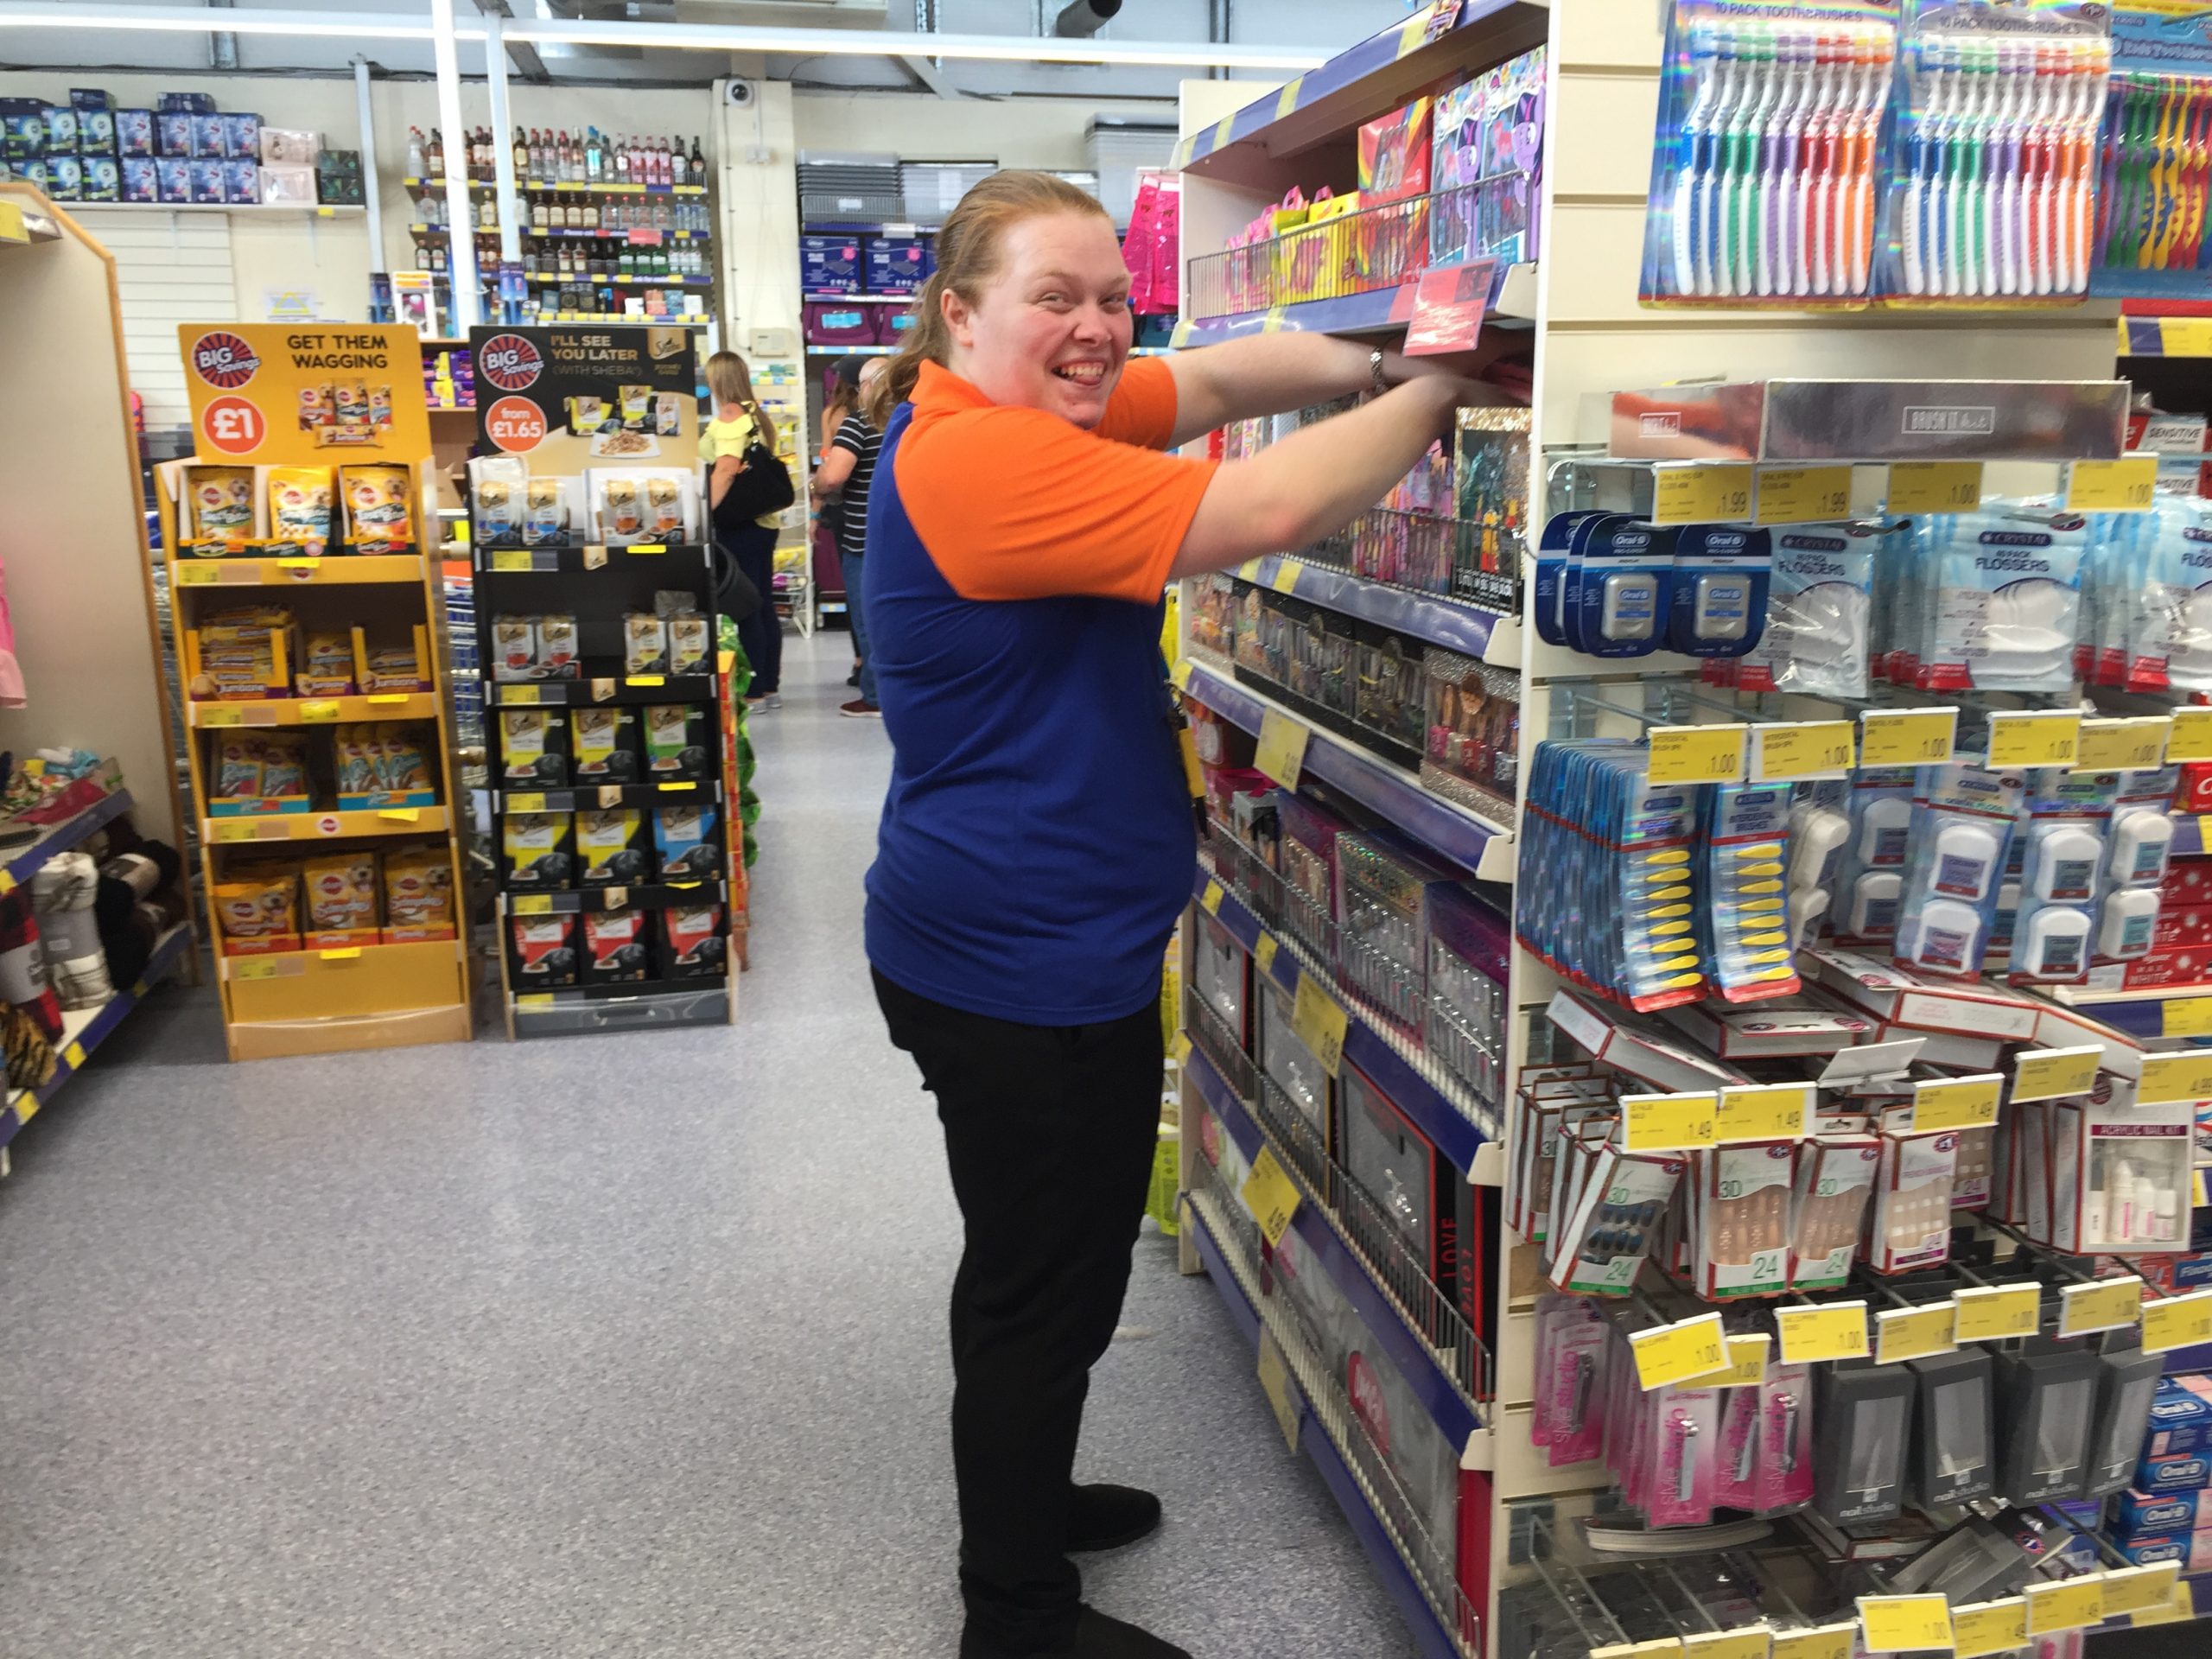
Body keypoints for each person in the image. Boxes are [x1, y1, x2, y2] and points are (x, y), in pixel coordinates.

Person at [860, 169, 1497, 1659]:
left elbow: (1217, 375)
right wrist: (1448, 386)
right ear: (960, 314)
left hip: (1023, 936)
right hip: (1014, 961)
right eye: (1052, 299)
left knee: (1057, 1264)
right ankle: (1011, 1612)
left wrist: (1380, 351)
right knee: (1039, 1281)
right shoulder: (983, 465)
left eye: (1107, 296)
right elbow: (1267, 497)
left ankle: (1027, 1497)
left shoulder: (1028, 419)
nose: (1094, 329)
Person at [702, 350, 784, 710]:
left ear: (716, 380)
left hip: (739, 526)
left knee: (744, 605)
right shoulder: (756, 415)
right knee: (763, 603)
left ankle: (752, 691)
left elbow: (725, 470)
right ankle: (769, 687)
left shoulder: (730, 418)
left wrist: (705, 511)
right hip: (763, 523)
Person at [812, 356, 886, 718]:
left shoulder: (860, 421)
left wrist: (817, 481)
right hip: (907, 537)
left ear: (865, 388)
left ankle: (873, 697)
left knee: (867, 619)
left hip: (864, 537)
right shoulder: (914, 419)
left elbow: (834, 476)